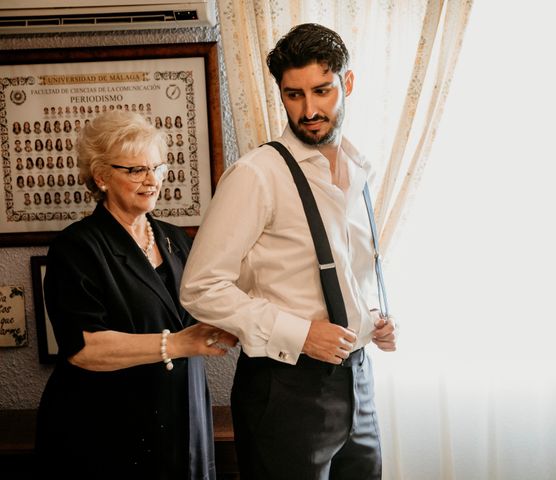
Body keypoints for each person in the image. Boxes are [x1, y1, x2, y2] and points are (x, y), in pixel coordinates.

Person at [180, 23, 397, 480]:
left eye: (322, 90)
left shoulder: (360, 170)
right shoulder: (256, 174)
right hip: (285, 390)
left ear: (348, 84)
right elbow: (201, 288)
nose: (310, 109)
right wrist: (300, 333)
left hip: (358, 383)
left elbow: (345, 268)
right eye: (294, 94)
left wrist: (374, 316)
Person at [35, 110, 237, 480]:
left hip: (184, 410)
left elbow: (205, 309)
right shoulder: (77, 247)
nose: (152, 180)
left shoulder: (177, 239)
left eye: (158, 167)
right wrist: (175, 344)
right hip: (106, 424)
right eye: (135, 170)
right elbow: (84, 349)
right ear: (101, 177)